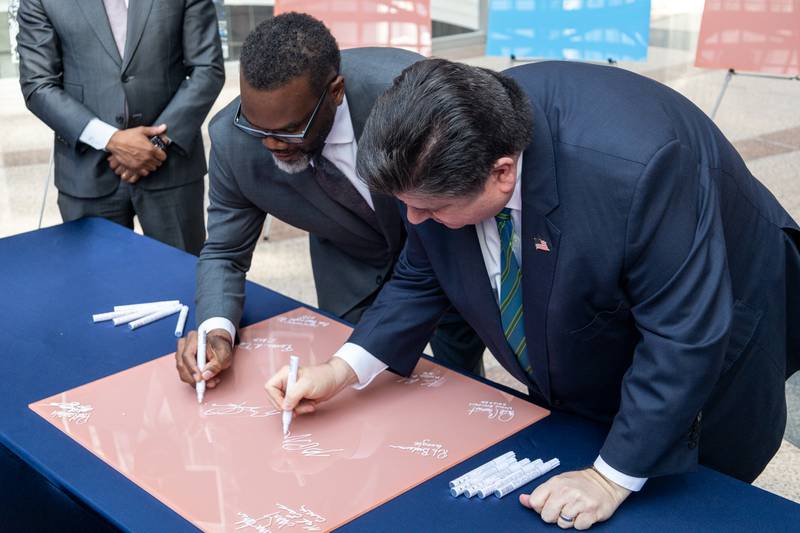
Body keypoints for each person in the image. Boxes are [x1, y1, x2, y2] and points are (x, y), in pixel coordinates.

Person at [265, 58, 800, 529]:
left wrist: (610, 478)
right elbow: (420, 274)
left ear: (502, 173)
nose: (414, 221)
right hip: (605, 323)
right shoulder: (445, 151)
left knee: (697, 503)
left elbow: (683, 336)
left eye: (429, 209)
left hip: (724, 323)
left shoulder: (639, 168)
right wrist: (340, 370)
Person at [174, 14, 484, 392]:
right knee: (353, 391)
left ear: (335, 92)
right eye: (259, 128)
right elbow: (224, 251)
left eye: (290, 129)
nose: (271, 143)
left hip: (444, 258)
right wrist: (215, 329)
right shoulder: (233, 140)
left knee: (460, 384)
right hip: (351, 275)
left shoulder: (409, 97)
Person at [17, 0, 225, 254]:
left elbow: (207, 69)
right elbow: (38, 85)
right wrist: (111, 139)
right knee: (97, 286)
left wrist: (156, 143)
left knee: (183, 282)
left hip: (170, 167)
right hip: (87, 171)